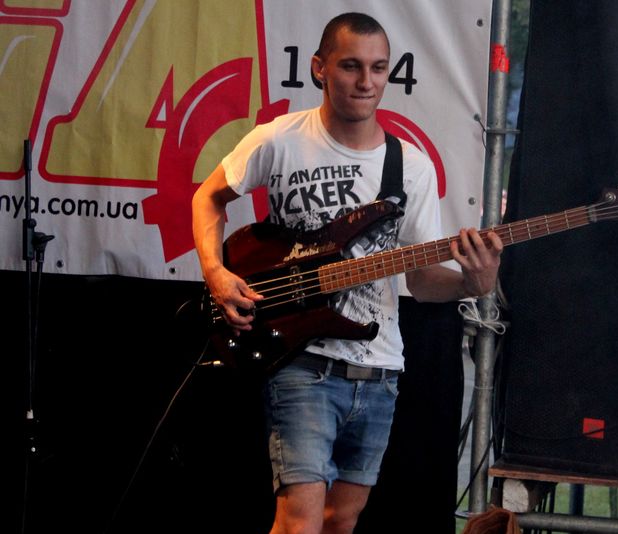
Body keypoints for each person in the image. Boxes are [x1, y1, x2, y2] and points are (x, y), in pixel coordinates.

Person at [191, 12, 503, 534]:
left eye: (378, 68)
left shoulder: (410, 167)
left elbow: (423, 282)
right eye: (351, 66)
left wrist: (475, 282)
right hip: (301, 361)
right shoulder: (280, 139)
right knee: (300, 522)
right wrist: (216, 274)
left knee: (340, 521)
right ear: (320, 68)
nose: (366, 81)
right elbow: (208, 197)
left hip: (379, 368)